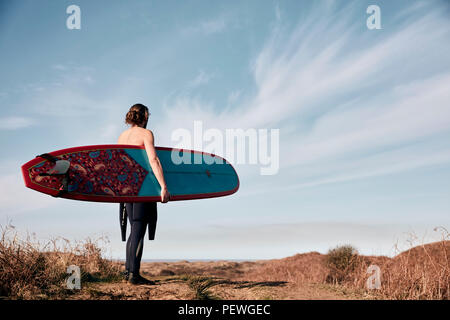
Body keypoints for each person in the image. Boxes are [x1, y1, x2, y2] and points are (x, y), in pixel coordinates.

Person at [117, 103, 170, 285]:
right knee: (138, 230)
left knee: (134, 230)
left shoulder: (122, 136)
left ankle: (128, 271)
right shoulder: (146, 134)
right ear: (145, 117)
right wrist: (163, 186)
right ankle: (134, 275)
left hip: (126, 189)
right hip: (142, 188)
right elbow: (153, 160)